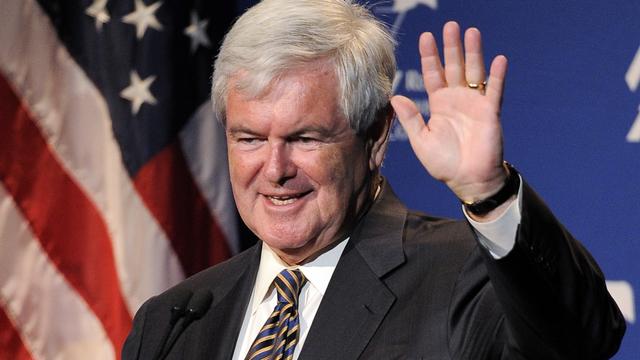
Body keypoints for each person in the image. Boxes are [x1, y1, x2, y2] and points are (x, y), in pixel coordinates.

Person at [122, 0, 626, 359]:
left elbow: (580, 341)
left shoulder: (466, 276)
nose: (274, 170)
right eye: (249, 139)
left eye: (306, 138)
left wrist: (488, 192)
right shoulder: (173, 322)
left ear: (377, 138)